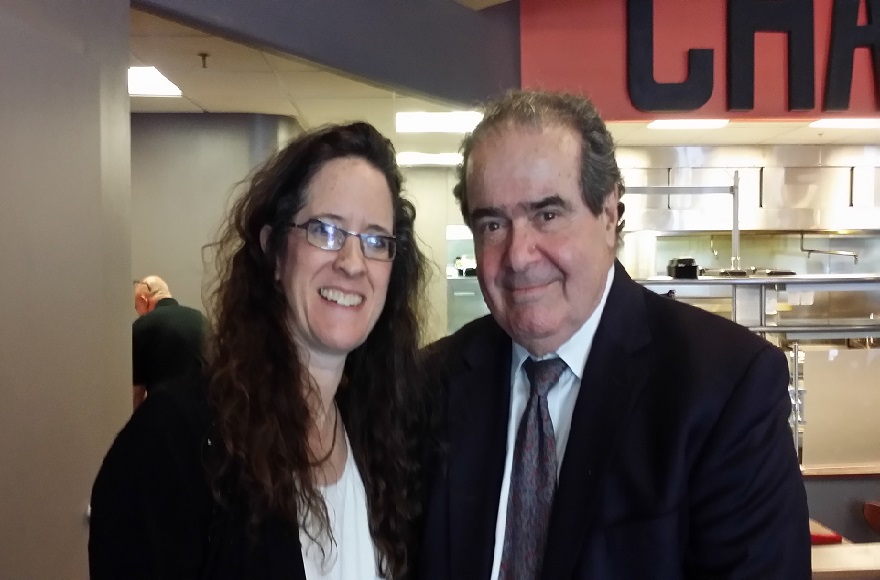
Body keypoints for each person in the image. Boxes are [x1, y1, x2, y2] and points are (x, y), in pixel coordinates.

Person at [418, 90, 811, 579]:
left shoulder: (725, 389)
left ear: (608, 214)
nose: (518, 255)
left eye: (548, 214)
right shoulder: (429, 385)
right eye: (493, 224)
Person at [90, 121, 431, 579]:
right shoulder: (176, 441)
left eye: (375, 240)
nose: (352, 264)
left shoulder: (381, 436)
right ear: (273, 251)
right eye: (325, 230)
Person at [131, 275, 207, 411]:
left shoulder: (142, 326)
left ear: (144, 299)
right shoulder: (201, 319)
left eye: (136, 306)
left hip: (164, 417)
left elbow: (137, 393)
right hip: (204, 417)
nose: (138, 312)